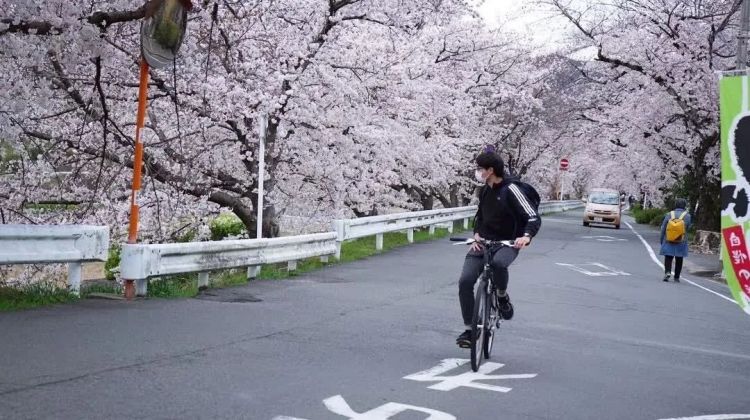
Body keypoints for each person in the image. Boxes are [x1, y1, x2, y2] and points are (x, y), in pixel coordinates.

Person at [456, 151, 541, 348]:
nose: (477, 172)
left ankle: (501, 296)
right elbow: (480, 218)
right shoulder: (485, 190)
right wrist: (476, 234)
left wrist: (526, 236)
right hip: (484, 242)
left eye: (480, 169)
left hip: (508, 242)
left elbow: (533, 217)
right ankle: (470, 330)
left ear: (490, 170)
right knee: (465, 281)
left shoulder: (511, 190)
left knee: (498, 263)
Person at [659, 198, 691, 282]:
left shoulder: (669, 214)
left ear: (675, 205)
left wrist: (662, 239)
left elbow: (663, 228)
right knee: (679, 258)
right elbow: (687, 228)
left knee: (668, 257)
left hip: (668, 239)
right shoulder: (687, 216)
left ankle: (667, 272)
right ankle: (676, 277)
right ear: (684, 205)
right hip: (681, 240)